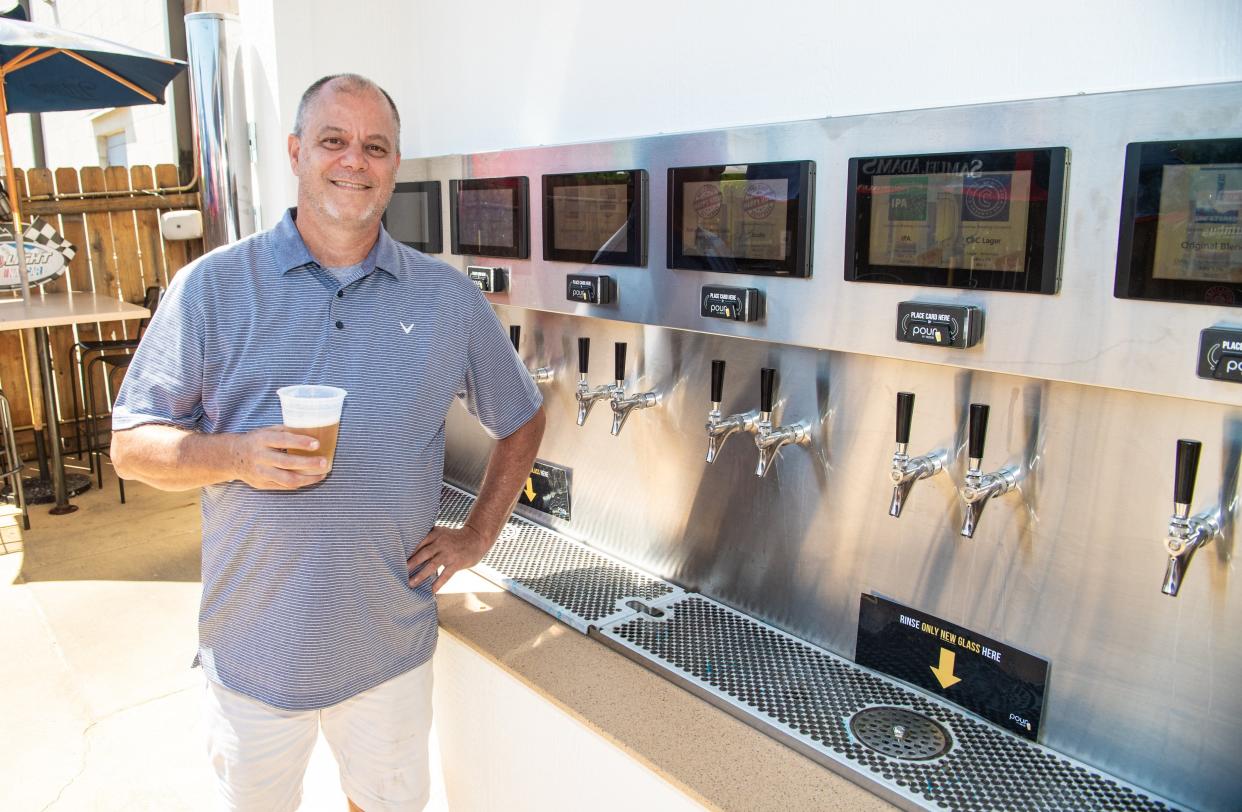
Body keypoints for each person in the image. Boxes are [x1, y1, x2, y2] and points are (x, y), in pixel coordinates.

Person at [111, 73, 545, 811]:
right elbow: (131, 445)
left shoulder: (445, 299)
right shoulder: (211, 288)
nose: (354, 161)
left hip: (388, 651)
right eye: (333, 141)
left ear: (394, 166)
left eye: (375, 147)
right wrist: (235, 455)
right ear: (295, 152)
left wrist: (478, 535)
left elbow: (522, 417)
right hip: (253, 653)